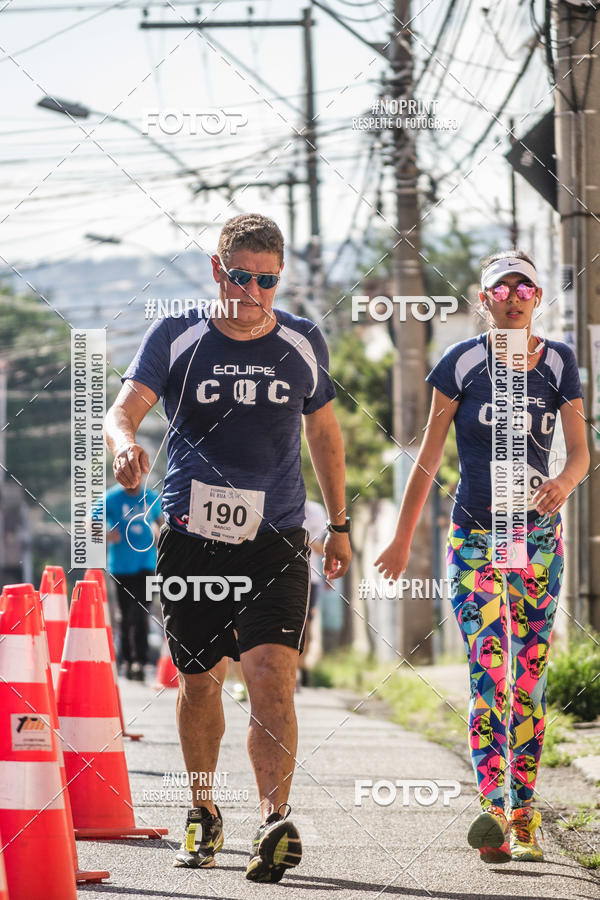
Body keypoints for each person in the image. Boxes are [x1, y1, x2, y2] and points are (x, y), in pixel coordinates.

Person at [104, 213, 352, 883]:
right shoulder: (178, 335)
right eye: (242, 278)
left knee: (273, 674)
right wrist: (126, 445)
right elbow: (122, 409)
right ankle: (204, 808)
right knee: (200, 681)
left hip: (275, 538)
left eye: (268, 282)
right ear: (218, 270)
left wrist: (341, 523)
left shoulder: (302, 340)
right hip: (190, 541)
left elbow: (326, 436)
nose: (254, 295)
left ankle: (273, 821)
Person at [375, 250, 589, 864]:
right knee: (487, 671)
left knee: (528, 676)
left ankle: (526, 813)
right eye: (503, 287)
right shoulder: (460, 363)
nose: (515, 296)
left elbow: (580, 451)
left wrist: (563, 483)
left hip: (538, 541)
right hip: (474, 540)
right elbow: (429, 457)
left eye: (526, 286)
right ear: (483, 298)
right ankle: (493, 809)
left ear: (538, 297)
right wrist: (399, 537)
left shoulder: (560, 363)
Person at [104, 481, 162, 681]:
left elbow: (161, 522)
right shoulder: (111, 498)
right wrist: (105, 534)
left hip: (147, 564)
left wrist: (160, 534)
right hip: (120, 567)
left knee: (141, 611)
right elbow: (88, 523)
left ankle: (140, 661)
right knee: (126, 615)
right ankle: (128, 661)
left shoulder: (152, 497)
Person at [299, 498, 328, 687]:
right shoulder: (276, 501)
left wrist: (302, 540)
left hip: (311, 577)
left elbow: (322, 548)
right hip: (278, 576)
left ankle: (299, 669)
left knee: (305, 625)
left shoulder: (316, 510)